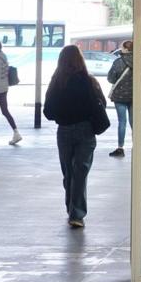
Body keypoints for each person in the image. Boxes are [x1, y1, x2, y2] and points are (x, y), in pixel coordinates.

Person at [44, 45, 105, 228]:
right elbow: (102, 102)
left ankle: (72, 207)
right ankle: (76, 213)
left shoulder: (56, 82)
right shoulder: (89, 81)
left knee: (68, 172)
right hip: (86, 130)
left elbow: (48, 111)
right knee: (81, 171)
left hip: (64, 131)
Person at [106, 40, 133, 157]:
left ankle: (120, 148)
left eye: (122, 47)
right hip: (134, 96)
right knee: (134, 123)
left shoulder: (118, 62)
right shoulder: (139, 61)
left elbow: (111, 79)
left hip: (120, 97)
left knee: (122, 122)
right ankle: (136, 145)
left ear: (126, 49)